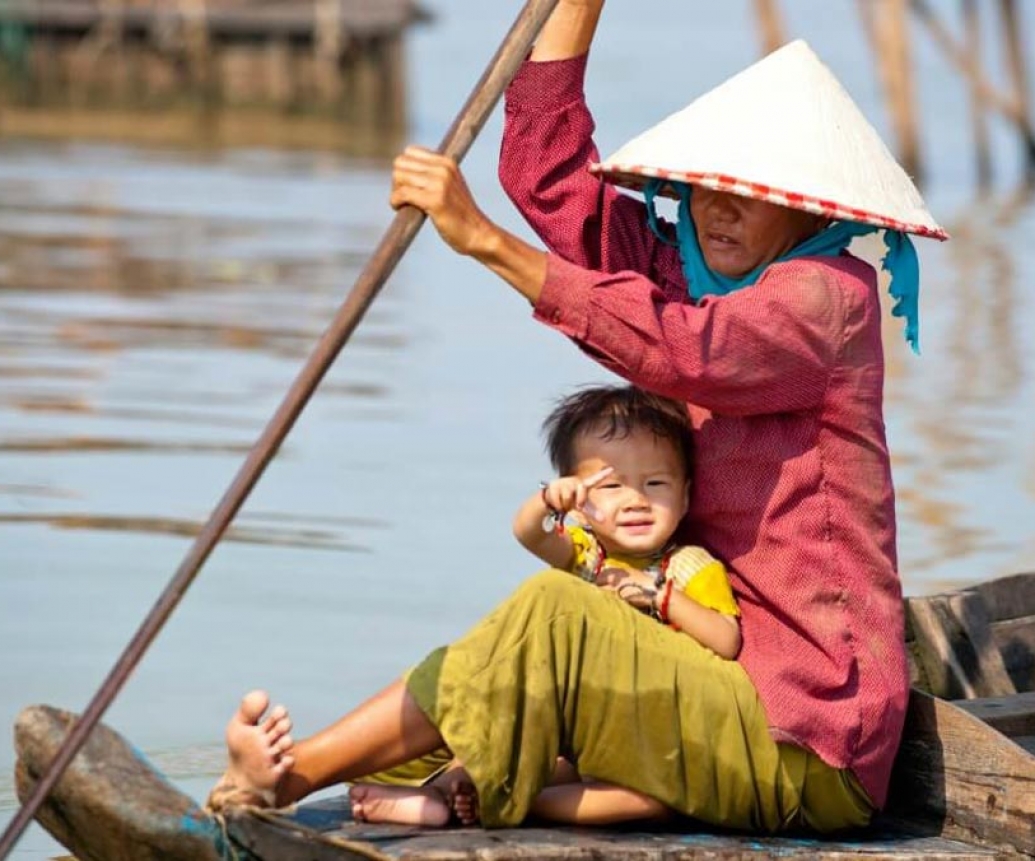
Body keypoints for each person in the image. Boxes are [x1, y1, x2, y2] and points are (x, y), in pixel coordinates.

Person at [210, 2, 948, 834]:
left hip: (808, 736)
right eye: (705, 187)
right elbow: (551, 177)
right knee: (478, 665)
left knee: (555, 615)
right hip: (709, 680)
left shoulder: (825, 299)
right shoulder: (695, 273)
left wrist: (483, 241)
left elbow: (681, 351)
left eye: (747, 195)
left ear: (813, 211)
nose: (716, 211)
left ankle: (289, 780)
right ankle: (273, 782)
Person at [342, 384, 741, 827]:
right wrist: (549, 501)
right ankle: (438, 796)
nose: (635, 500)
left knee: (651, 801)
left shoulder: (688, 567)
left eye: (656, 483)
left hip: (640, 733)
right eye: (611, 485)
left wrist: (662, 598)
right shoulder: (585, 553)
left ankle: (517, 803)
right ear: (581, 502)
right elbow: (528, 533)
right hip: (569, 722)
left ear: (685, 497)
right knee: (494, 747)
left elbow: (726, 640)